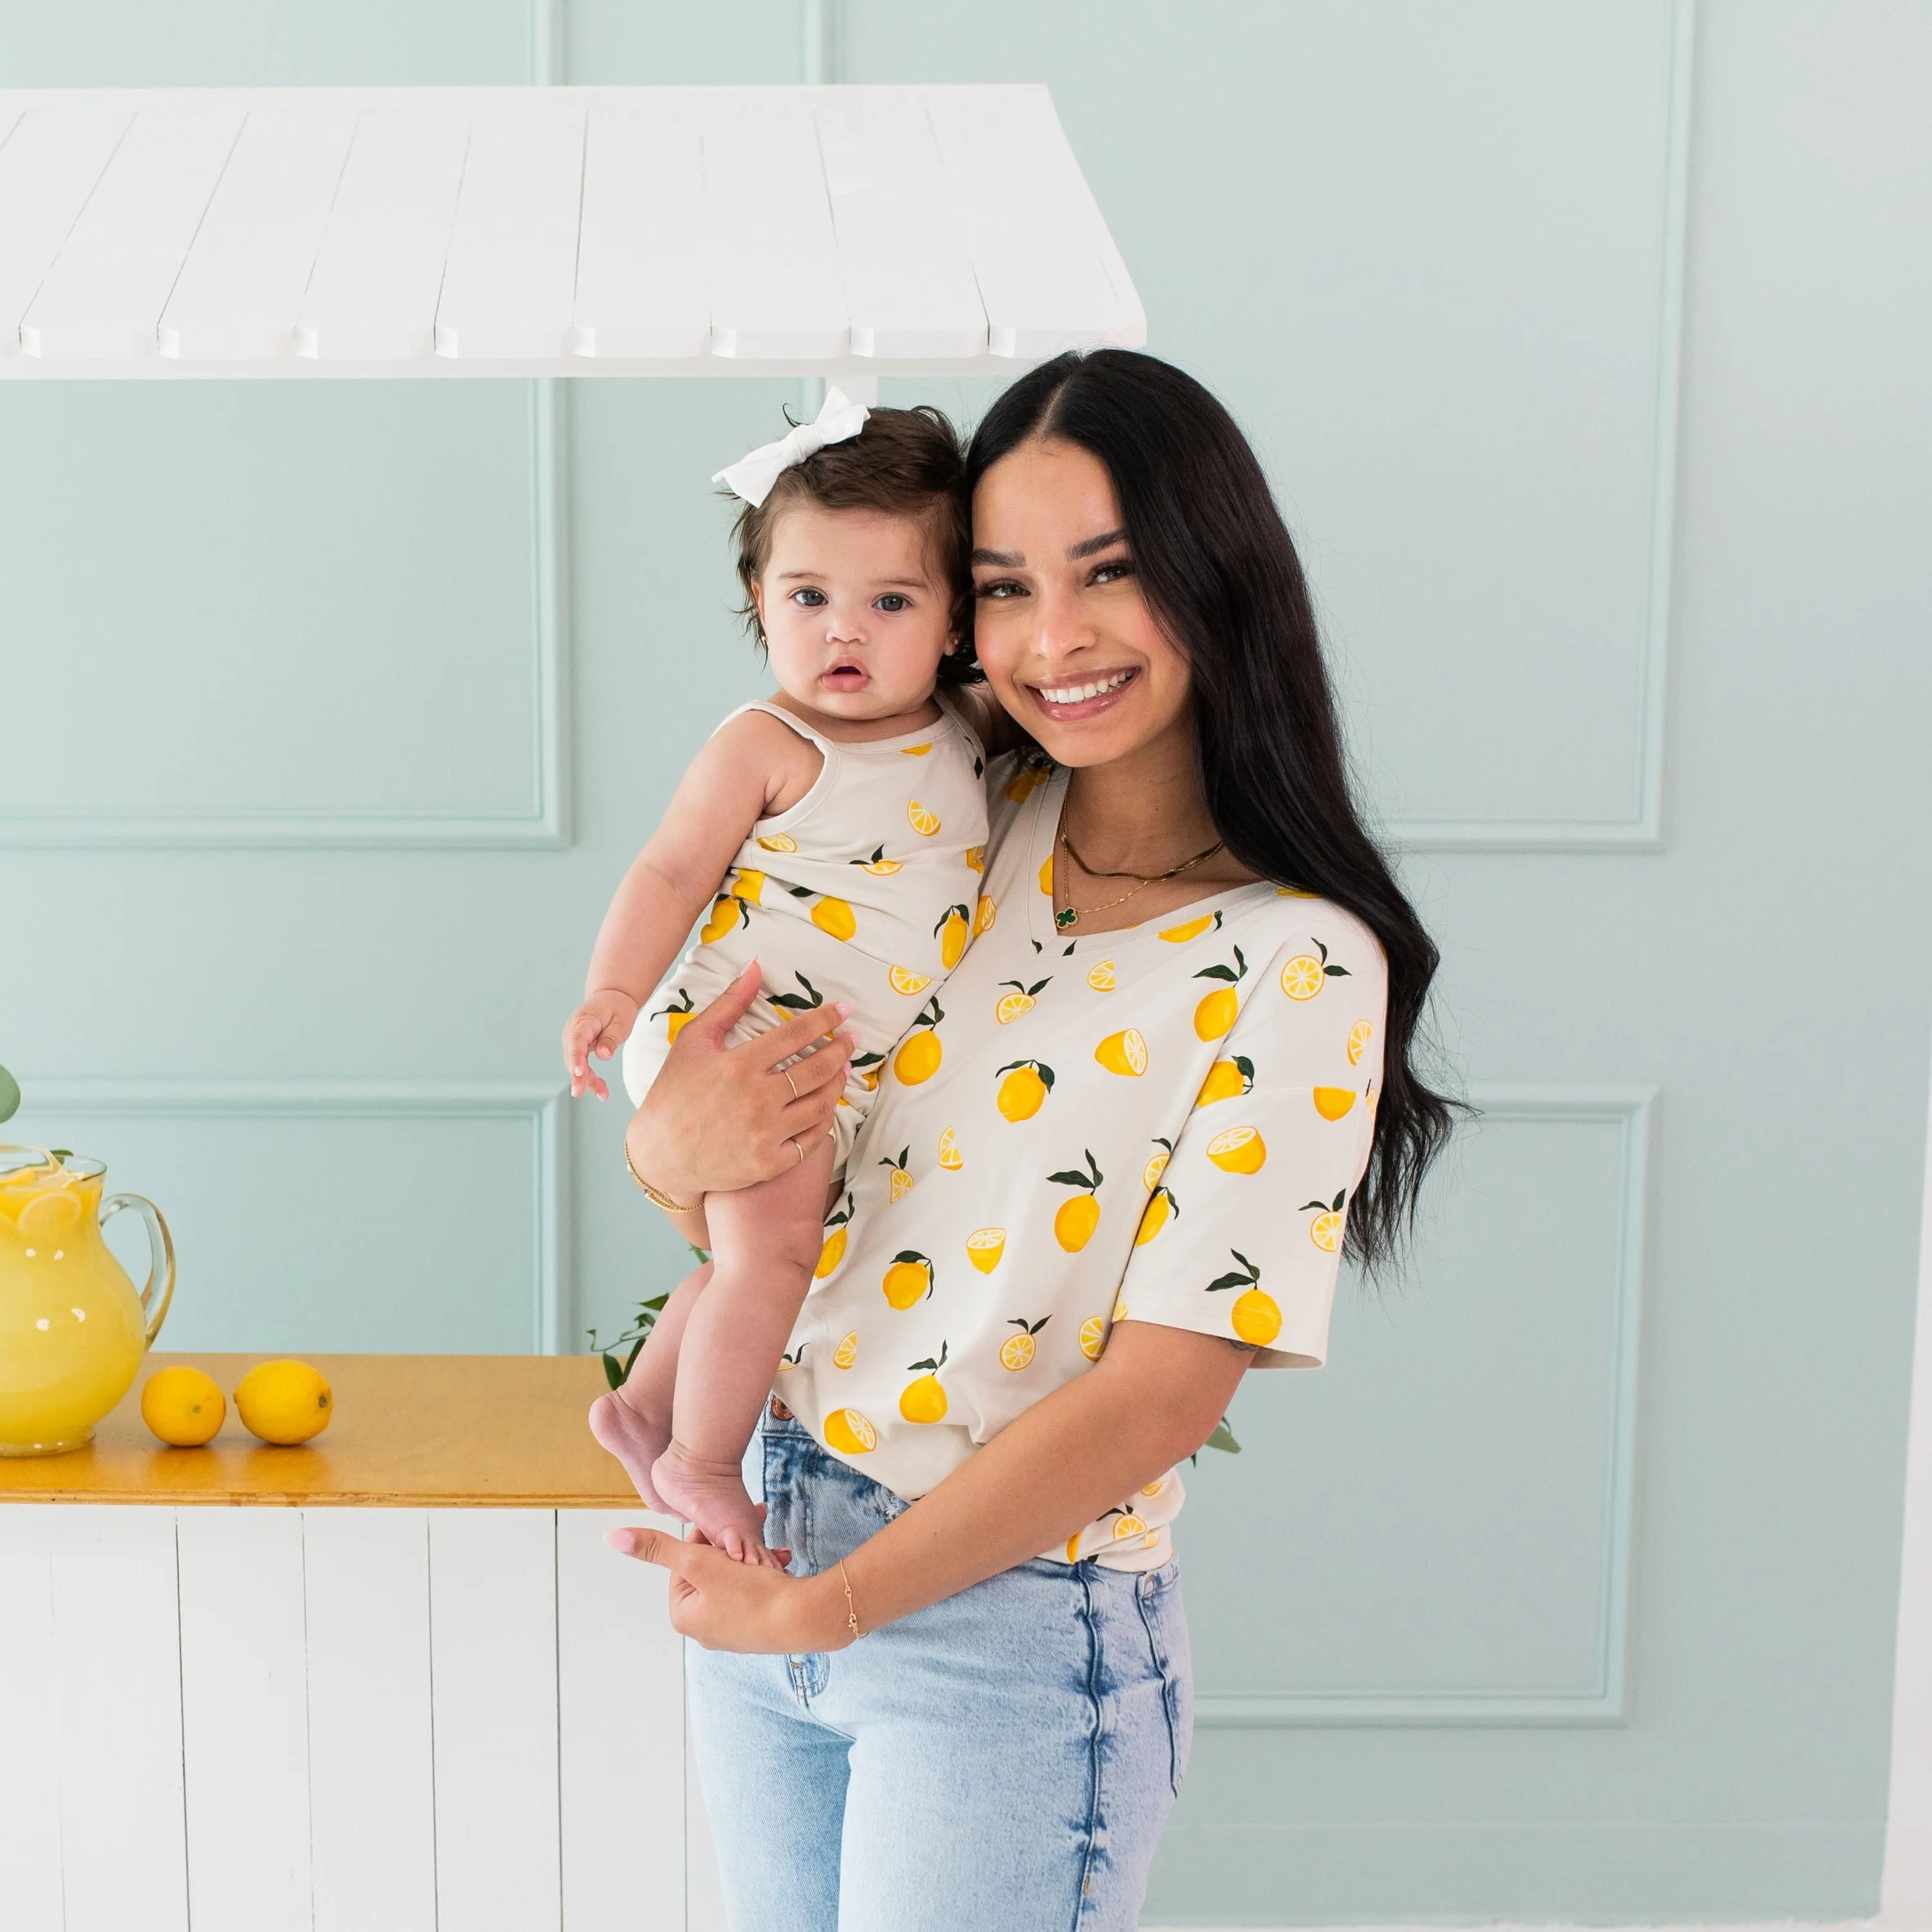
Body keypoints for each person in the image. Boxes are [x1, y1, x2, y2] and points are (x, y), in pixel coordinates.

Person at [607, 350, 1457, 1931]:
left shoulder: (1299, 961)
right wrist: (670, 1158)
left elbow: (1162, 1394)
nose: (1051, 639)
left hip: (1002, 1630)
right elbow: (782, 1204)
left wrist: (831, 1609)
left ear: (1218, 577)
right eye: (1001, 587)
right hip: (779, 1524)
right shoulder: (942, 823)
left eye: (1110, 573)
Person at [562, 392, 990, 1562]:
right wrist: (612, 994)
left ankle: (643, 1409)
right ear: (761, 603)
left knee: (765, 1258)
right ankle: (705, 1461)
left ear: (957, 621)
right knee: (775, 1258)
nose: (841, 634)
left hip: (818, 1059)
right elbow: (667, 871)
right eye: (808, 598)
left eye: (890, 602)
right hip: (742, 1037)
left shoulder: (960, 726)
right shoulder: (769, 741)